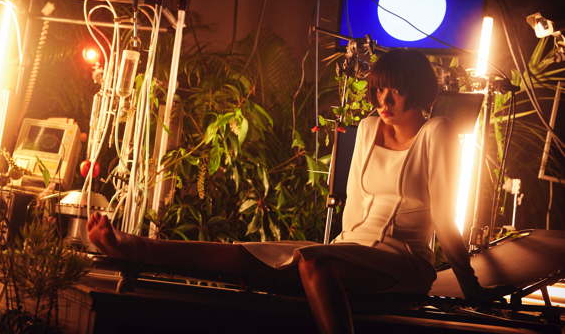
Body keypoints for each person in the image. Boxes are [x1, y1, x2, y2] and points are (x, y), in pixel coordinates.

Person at [88, 48, 487, 334]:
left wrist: (470, 287)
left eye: (396, 90)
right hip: (350, 249)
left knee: (314, 264)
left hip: (402, 261)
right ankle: (138, 247)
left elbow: (444, 218)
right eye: (379, 89)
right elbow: (354, 209)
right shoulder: (367, 128)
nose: (384, 99)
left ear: (419, 91)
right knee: (250, 254)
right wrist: (336, 248)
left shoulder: (438, 131)